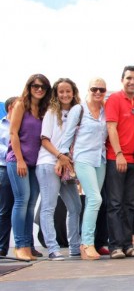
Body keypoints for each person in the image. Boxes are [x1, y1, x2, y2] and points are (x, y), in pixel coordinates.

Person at [59, 77, 108, 260]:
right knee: (96, 198)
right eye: (94, 89)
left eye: (101, 90)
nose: (98, 92)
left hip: (100, 160)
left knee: (92, 201)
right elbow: (68, 134)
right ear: (88, 89)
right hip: (83, 159)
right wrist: (62, 157)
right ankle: (86, 244)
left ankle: (90, 242)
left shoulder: (104, 111)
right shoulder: (78, 109)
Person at [35, 78, 82, 261]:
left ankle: (75, 247)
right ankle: (53, 249)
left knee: (76, 206)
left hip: (66, 166)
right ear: (56, 93)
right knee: (49, 207)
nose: (65, 95)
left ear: (73, 92)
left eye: (68, 91)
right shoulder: (51, 113)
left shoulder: (77, 112)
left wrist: (67, 160)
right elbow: (44, 139)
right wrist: (59, 157)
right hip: (48, 163)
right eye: (61, 91)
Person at [7, 74, 51, 261]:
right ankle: (20, 245)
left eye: (43, 87)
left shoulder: (43, 109)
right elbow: (13, 133)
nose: (39, 89)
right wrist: (19, 160)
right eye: (35, 86)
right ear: (29, 86)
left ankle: (28, 244)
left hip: (35, 163)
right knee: (21, 201)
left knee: (31, 204)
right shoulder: (20, 105)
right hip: (19, 162)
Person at [104, 66, 134, 259]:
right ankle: (115, 246)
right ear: (122, 80)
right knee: (114, 204)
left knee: (130, 204)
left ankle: (128, 244)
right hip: (116, 159)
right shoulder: (114, 99)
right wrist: (119, 153)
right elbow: (111, 128)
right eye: (129, 78)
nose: (132, 82)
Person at [0, 97, 17, 257]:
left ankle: (26, 245)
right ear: (11, 107)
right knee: (5, 209)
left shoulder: (22, 124)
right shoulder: (1, 125)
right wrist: (13, 151)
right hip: (5, 168)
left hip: (23, 168)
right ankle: (2, 246)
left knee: (24, 206)